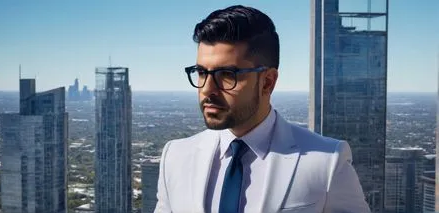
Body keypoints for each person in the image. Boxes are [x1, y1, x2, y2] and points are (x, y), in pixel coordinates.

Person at [154, 5, 370, 213]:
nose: (207, 89)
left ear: (267, 82)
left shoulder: (327, 162)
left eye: (227, 75)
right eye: (202, 72)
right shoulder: (175, 156)